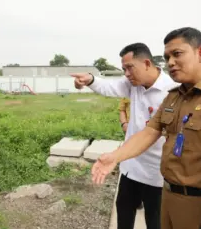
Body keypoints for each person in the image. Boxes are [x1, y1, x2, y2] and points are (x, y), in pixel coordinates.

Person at [91, 27, 201, 229]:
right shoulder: (174, 96)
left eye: (177, 54)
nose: (170, 63)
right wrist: (115, 156)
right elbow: (150, 132)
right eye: (167, 57)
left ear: (200, 53)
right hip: (167, 197)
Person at [71, 43, 179, 229]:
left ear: (146, 63)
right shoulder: (132, 85)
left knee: (155, 222)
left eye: (130, 68)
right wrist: (89, 79)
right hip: (130, 166)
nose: (126, 74)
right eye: (123, 69)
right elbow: (108, 87)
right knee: (124, 215)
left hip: (157, 172)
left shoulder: (173, 90)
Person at [118, 97, 144, 210]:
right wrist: (124, 123)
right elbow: (122, 109)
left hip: (148, 134)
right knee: (132, 164)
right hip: (130, 134)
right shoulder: (128, 90)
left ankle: (145, 198)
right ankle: (137, 200)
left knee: (145, 165)